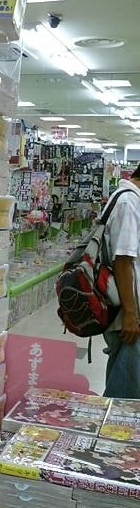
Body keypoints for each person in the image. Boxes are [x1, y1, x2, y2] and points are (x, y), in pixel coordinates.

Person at [103, 164, 140, 398]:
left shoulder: (129, 199)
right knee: (126, 394)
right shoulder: (128, 203)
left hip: (128, 311)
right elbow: (123, 261)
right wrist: (130, 315)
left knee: (125, 380)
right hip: (127, 314)